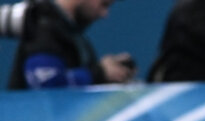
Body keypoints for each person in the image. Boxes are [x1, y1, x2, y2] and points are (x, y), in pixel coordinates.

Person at [7, 0, 135, 89]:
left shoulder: (74, 36)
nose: (104, 14)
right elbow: (46, 85)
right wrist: (100, 73)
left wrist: (108, 73)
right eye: (104, 4)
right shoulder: (43, 26)